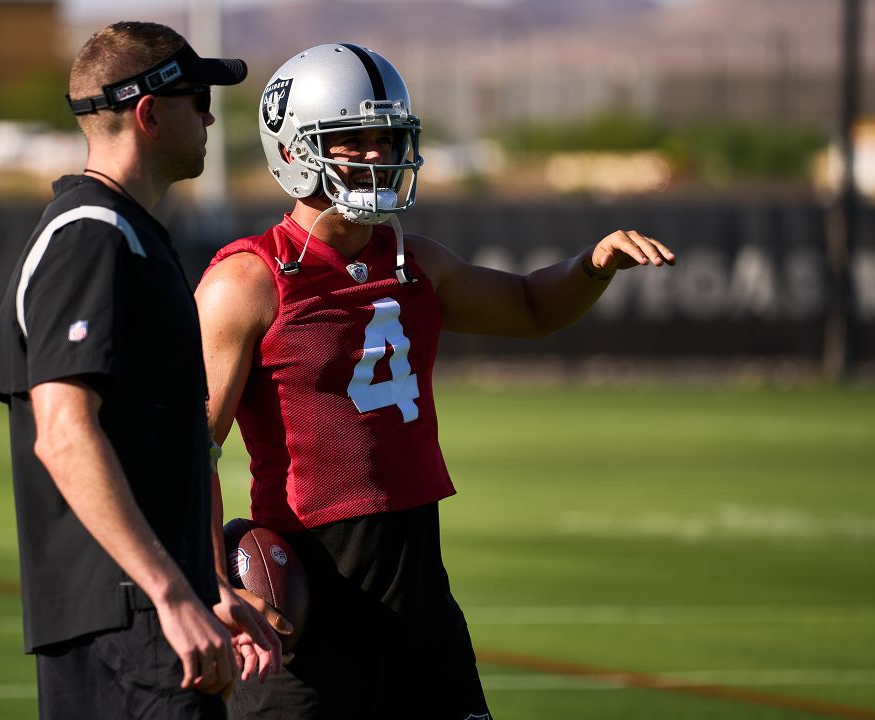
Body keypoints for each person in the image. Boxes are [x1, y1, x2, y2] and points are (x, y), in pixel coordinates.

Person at [195, 44, 676, 719]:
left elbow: (531, 306)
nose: (375, 155)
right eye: (351, 140)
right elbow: (190, 447)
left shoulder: (415, 259)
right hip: (309, 594)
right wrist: (213, 580)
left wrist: (590, 266)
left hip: (419, 592)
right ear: (294, 150)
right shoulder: (247, 281)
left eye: (384, 138)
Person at [0, 21, 280, 719]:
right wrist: (170, 595)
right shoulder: (91, 236)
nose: (210, 115)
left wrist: (203, 585)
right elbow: (62, 433)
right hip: (128, 624)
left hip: (144, 617)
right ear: (148, 112)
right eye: (197, 98)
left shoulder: (127, 234)